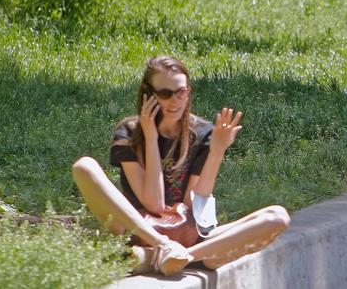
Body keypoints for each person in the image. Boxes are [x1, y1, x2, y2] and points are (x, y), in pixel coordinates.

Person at [72, 55, 290, 276]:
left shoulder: (202, 133)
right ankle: (161, 249)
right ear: (149, 95)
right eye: (165, 94)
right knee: (84, 166)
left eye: (181, 92)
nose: (175, 101)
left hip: (191, 238)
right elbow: (154, 204)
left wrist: (216, 150)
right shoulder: (130, 133)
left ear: (188, 92)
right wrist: (150, 138)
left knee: (277, 217)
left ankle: (178, 258)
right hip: (141, 230)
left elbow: (195, 206)